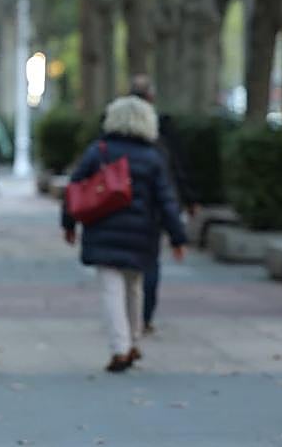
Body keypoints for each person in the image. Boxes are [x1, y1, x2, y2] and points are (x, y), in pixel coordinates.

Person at [61, 95, 188, 373]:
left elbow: (76, 187)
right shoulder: (152, 158)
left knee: (111, 288)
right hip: (143, 233)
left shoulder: (100, 151)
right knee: (134, 286)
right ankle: (132, 340)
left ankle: (120, 347)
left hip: (103, 230)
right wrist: (177, 237)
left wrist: (68, 223)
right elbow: (166, 200)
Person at [130, 74, 197, 334]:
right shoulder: (162, 131)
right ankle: (144, 317)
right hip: (152, 208)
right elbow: (175, 171)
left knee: (122, 267)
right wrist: (179, 231)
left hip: (121, 204)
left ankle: (131, 318)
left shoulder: (113, 127)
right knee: (149, 262)